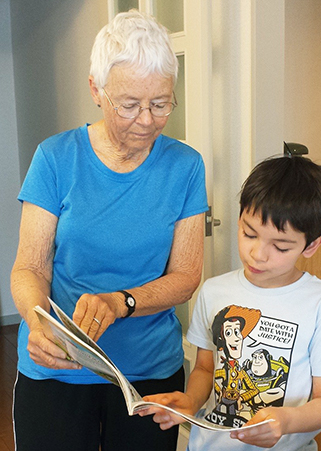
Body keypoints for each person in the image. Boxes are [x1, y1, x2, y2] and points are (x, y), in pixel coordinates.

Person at [11, 9, 207, 451]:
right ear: (96, 90)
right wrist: (36, 323)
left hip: (149, 372)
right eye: (130, 104)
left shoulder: (186, 166)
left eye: (160, 104)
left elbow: (186, 276)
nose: (147, 120)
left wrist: (122, 302)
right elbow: (30, 267)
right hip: (57, 366)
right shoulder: (55, 158)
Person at [141, 155, 321, 451]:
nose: (258, 253)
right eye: (249, 233)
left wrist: (285, 421)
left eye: (280, 246)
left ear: (312, 245)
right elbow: (206, 369)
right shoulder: (214, 290)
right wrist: (190, 401)